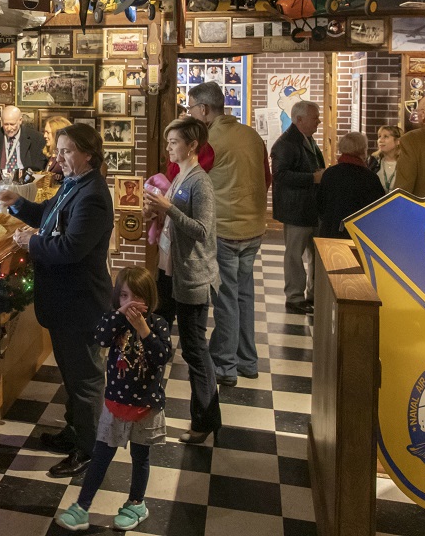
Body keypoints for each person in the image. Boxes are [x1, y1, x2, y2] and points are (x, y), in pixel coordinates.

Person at [0, 124, 114, 477]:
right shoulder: (74, 183)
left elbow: (71, 248)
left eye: (66, 151)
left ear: (88, 154)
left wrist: (29, 244)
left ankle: (89, 450)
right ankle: (75, 432)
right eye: (58, 150)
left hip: (80, 302)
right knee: (72, 374)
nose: (58, 157)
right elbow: (49, 215)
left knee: (85, 380)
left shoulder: (92, 194)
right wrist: (19, 204)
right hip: (65, 301)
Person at [53, 267, 172, 532]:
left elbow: (162, 357)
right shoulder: (114, 322)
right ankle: (82, 507)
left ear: (150, 299)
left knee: (140, 458)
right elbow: (100, 337)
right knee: (101, 456)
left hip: (146, 406)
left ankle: (136, 503)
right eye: (125, 296)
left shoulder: (158, 324)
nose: (131, 302)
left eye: (138, 296)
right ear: (118, 297)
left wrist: (143, 329)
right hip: (115, 403)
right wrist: (118, 316)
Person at [143, 116, 222, 444]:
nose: (169, 147)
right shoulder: (180, 177)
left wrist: (168, 208)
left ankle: (204, 421)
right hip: (168, 273)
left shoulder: (200, 182)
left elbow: (202, 231)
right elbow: (176, 223)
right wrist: (158, 213)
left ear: (192, 145)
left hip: (191, 276)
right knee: (156, 341)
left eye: (175, 142)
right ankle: (147, 411)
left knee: (193, 349)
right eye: (168, 141)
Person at [186, 81, 270, 386]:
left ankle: (224, 364)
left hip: (224, 229)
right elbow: (267, 177)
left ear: (204, 110)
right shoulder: (251, 135)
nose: (190, 112)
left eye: (191, 107)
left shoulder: (208, 141)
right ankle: (248, 360)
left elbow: (192, 182)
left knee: (225, 298)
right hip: (254, 227)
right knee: (244, 295)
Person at [271, 100, 324, 314]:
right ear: (299, 120)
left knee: (316, 255)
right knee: (294, 255)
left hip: (312, 208)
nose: (319, 121)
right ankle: (294, 297)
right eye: (315, 117)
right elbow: (280, 176)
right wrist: (313, 178)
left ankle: (314, 294)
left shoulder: (307, 139)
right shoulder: (285, 144)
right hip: (296, 210)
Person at [318, 133, 386, 239]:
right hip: (357, 235)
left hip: (330, 232)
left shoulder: (330, 173)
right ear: (362, 149)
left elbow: (321, 205)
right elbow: (378, 210)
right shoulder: (369, 178)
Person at [0, 104, 46, 172]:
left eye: (12, 124)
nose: (9, 128)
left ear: (20, 120)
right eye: (6, 124)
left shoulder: (37, 138)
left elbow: (40, 166)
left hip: (25, 180)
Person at [368, 125, 402, 192]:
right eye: (379, 136)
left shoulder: (406, 162)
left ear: (398, 141)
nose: (381, 140)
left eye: (386, 136)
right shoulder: (373, 161)